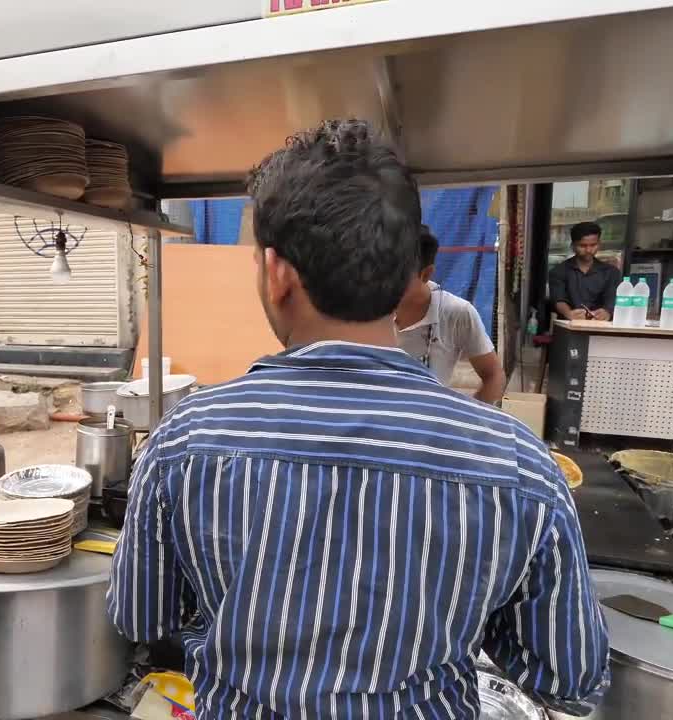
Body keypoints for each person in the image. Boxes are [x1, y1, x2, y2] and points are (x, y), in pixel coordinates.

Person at [108, 119, 609, 718]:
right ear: (408, 274)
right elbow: (568, 673)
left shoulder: (185, 439)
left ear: (276, 273)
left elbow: (140, 615)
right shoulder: (518, 462)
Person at [396, 225, 504, 403]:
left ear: (426, 274)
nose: (384, 282)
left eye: (398, 275)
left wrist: (470, 418)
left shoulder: (456, 313)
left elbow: (493, 375)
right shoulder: (366, 308)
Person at [549, 221, 622, 321]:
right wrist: (569, 313)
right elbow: (558, 299)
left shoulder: (611, 272)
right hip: (569, 328)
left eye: (593, 245)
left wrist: (607, 312)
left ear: (599, 244)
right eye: (583, 246)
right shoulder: (559, 271)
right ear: (573, 246)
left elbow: (613, 299)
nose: (588, 250)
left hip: (600, 329)